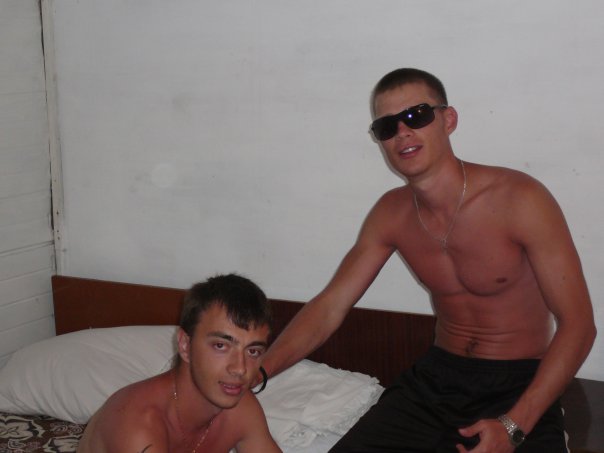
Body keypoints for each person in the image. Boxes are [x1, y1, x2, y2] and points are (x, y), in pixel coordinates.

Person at [259, 68, 596, 452]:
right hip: (436, 380)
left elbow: (579, 325)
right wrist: (260, 372)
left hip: (520, 382)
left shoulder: (520, 199)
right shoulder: (391, 213)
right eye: (387, 126)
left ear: (448, 120)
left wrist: (513, 426)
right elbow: (330, 306)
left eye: (416, 116)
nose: (402, 132)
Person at [77, 273, 281, 453]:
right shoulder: (137, 422)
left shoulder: (241, 410)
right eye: (220, 346)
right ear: (185, 345)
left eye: (253, 351)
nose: (240, 368)